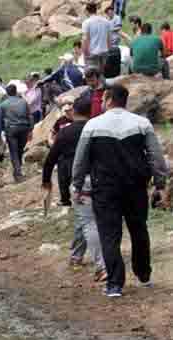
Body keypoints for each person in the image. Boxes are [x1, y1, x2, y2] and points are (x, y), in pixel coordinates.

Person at [71, 85, 170, 297]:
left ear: (107, 99)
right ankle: (144, 275)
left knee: (109, 234)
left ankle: (115, 284)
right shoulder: (142, 123)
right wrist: (160, 184)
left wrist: (77, 186)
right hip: (135, 187)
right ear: (126, 101)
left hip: (105, 188)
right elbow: (156, 157)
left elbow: (80, 160)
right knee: (139, 230)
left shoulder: (93, 125)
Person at [43, 98, 105, 280]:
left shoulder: (66, 132)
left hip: (77, 179)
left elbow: (50, 158)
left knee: (87, 220)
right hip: (101, 178)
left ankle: (101, 265)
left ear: (74, 111)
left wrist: (46, 181)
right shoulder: (98, 129)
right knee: (86, 218)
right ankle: (77, 255)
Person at [1, 84, 33, 183]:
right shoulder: (24, 102)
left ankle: (18, 174)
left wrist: (1, 132)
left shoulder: (3, 104)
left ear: (7, 93)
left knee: (14, 152)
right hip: (24, 129)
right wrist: (31, 130)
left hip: (11, 130)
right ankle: (17, 171)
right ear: (16, 91)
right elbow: (30, 116)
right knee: (19, 150)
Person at [82, 2, 112, 71]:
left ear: (87, 11)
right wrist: (109, 51)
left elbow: (85, 40)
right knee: (102, 73)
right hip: (104, 52)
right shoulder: (106, 21)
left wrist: (85, 55)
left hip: (93, 53)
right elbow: (108, 38)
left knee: (94, 75)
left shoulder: (86, 22)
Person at [104, 4, 124, 78]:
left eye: (110, 12)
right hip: (108, 42)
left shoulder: (117, 18)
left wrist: (110, 29)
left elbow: (118, 27)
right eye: (108, 13)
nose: (109, 14)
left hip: (115, 41)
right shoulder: (107, 19)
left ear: (112, 11)